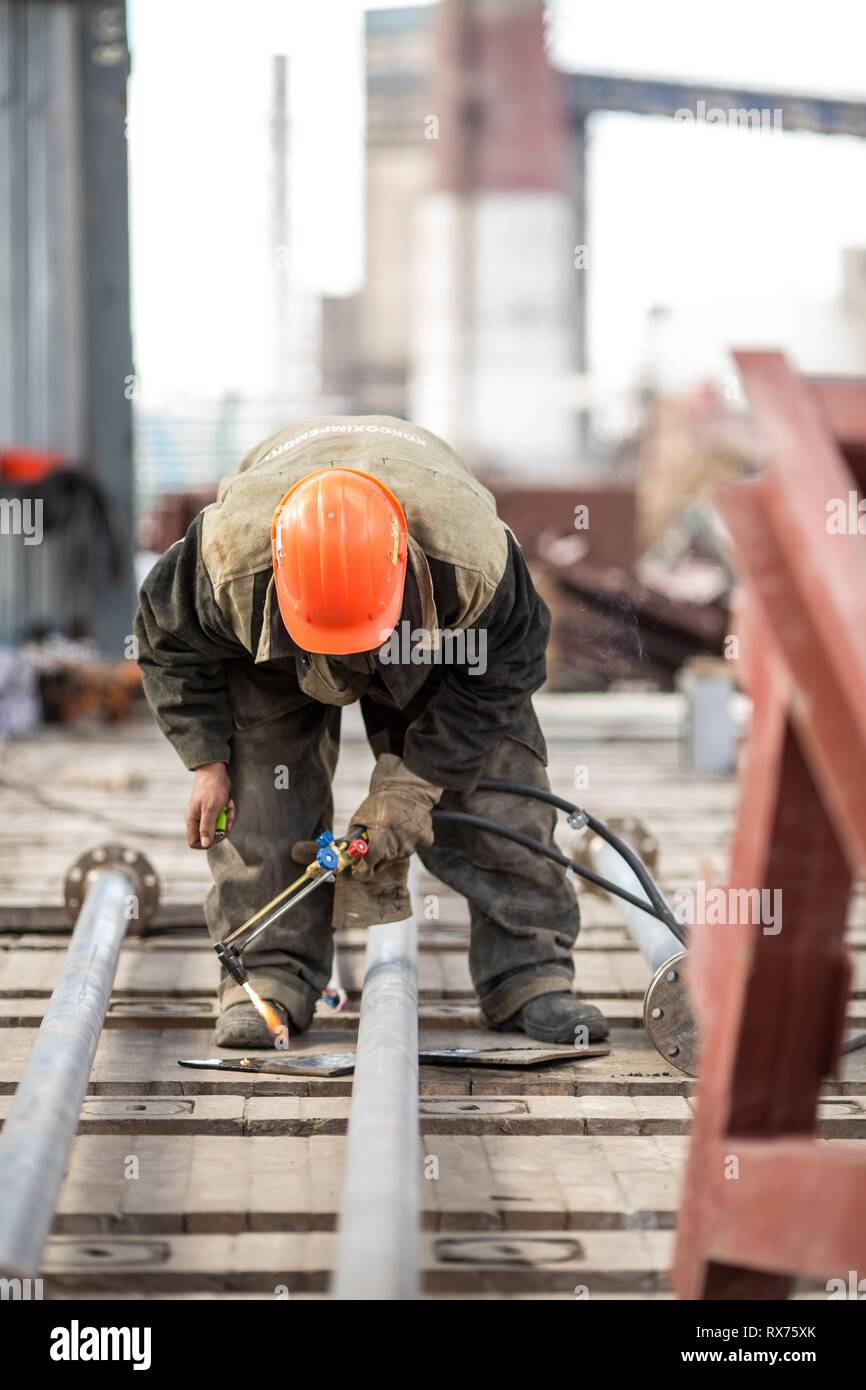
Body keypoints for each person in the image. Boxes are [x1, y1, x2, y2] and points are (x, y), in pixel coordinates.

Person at [134, 416, 609, 1048]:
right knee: (261, 796)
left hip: (433, 640)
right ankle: (272, 978)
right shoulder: (225, 563)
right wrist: (206, 761)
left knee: (498, 786)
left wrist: (414, 785)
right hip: (272, 649)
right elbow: (167, 643)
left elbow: (507, 671)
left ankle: (530, 976)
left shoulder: (471, 565)